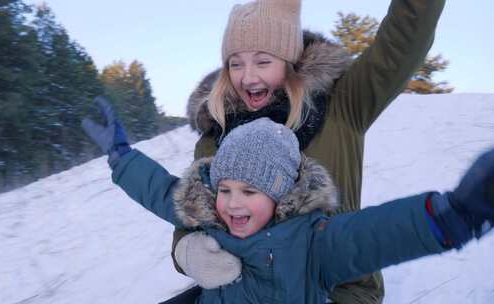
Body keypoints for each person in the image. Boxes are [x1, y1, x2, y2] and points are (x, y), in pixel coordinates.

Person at [171, 0, 446, 302]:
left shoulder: (342, 104)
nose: (247, 77)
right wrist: (188, 251)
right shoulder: (216, 133)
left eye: (263, 61)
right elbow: (194, 216)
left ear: (290, 62)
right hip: (244, 291)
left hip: (334, 291)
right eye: (235, 64)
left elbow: (405, 38)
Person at [82, 108, 494, 304]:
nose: (232, 203)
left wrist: (452, 217)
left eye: (250, 191)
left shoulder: (312, 243)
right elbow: (159, 190)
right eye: (224, 188)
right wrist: (121, 156)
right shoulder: (211, 216)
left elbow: (374, 236)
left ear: (281, 195)